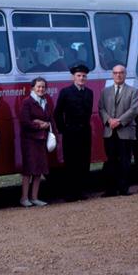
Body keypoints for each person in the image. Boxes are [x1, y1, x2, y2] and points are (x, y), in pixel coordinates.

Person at [54, 64, 94, 202]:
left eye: (84, 76)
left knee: (84, 161)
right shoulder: (66, 92)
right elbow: (57, 113)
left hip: (85, 132)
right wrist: (63, 129)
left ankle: (81, 191)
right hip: (70, 132)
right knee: (71, 162)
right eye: (79, 76)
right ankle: (71, 193)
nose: (81, 78)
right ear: (73, 77)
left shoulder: (89, 92)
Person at [98, 65, 138, 197]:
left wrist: (119, 121)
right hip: (109, 131)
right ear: (112, 75)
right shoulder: (105, 91)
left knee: (125, 160)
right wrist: (109, 120)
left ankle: (123, 188)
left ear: (125, 74)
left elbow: (133, 110)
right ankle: (110, 189)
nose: (118, 75)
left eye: (121, 73)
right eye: (115, 73)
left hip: (125, 131)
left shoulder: (133, 91)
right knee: (111, 160)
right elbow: (101, 108)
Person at [19, 77, 56, 207]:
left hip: (42, 140)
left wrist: (51, 130)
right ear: (33, 88)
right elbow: (25, 122)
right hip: (30, 141)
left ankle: (34, 197)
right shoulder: (27, 102)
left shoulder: (46, 101)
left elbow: (51, 119)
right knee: (28, 169)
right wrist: (39, 126)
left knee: (39, 169)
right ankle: (24, 198)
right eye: (38, 87)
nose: (41, 89)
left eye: (43, 87)